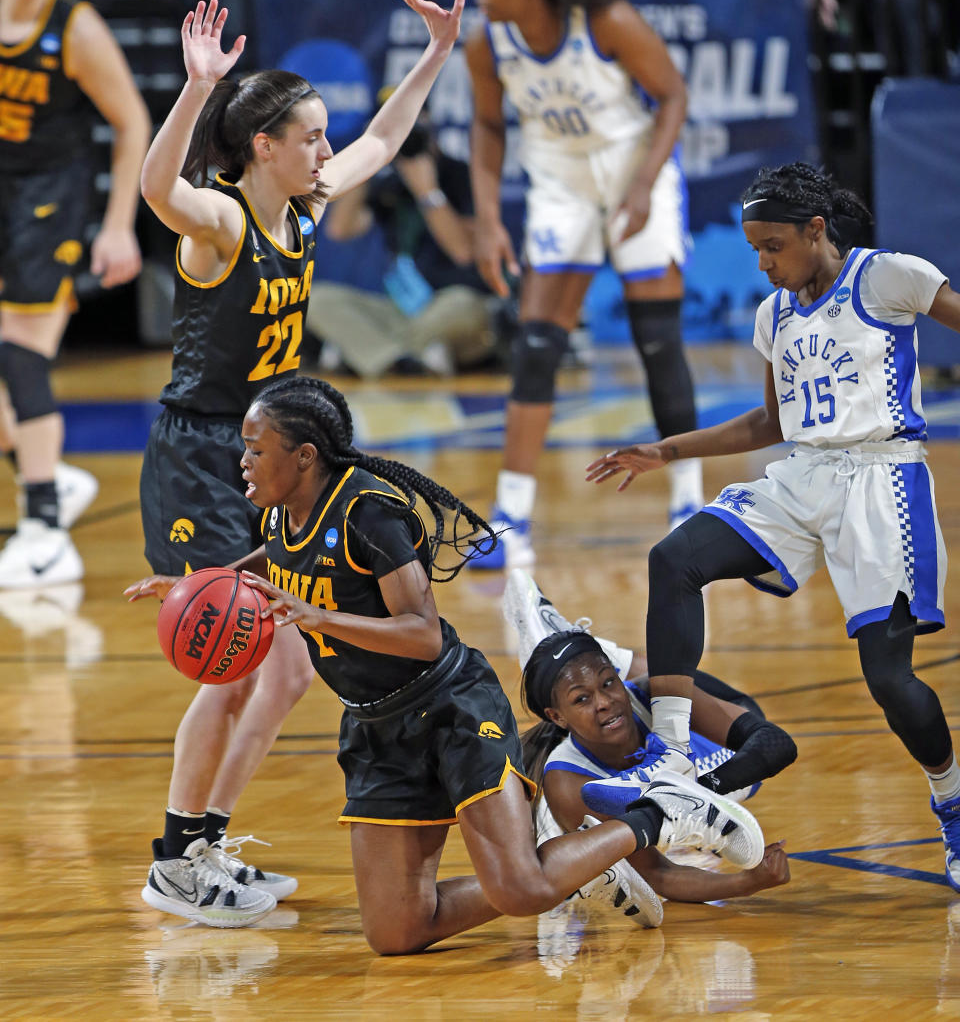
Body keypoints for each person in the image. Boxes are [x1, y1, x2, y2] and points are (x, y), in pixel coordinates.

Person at [150, 373, 765, 949]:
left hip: (449, 709)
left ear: (305, 456)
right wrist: (207, 585)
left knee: (522, 890)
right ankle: (574, 869)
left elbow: (422, 636)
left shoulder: (370, 514)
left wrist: (318, 618)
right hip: (375, 728)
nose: (244, 461)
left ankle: (657, 814)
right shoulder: (283, 509)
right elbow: (282, 554)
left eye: (256, 449)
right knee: (397, 932)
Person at [125, 0, 471, 927]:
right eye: (309, 137)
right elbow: (158, 189)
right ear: (262, 148)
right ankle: (175, 860)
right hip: (203, 454)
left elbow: (386, 144)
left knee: (282, 672)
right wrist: (197, 88)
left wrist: (436, 55)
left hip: (270, 457)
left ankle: (205, 845)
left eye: (324, 135)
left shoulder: (305, 209)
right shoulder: (226, 224)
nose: (326, 149)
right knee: (233, 668)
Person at [584, 161, 960, 892]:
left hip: (882, 479)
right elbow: (770, 422)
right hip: (804, 475)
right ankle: (671, 757)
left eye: (772, 245)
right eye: (755, 248)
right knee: (675, 557)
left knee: (891, 682)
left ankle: (952, 801)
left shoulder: (888, 277)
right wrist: (668, 449)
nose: (762, 261)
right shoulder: (776, 314)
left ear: (816, 230)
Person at [464, 0, 703, 569]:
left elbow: (673, 96)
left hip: (631, 165)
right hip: (560, 181)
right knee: (536, 344)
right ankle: (511, 515)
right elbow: (488, 128)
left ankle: (689, 499)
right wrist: (488, 220)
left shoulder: (607, 22)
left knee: (658, 340)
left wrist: (647, 184)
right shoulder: (486, 45)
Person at [0, 0, 150, 587]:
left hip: (50, 200)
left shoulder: (75, 28)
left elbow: (132, 121)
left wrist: (116, 225)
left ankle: (44, 531)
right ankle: (51, 476)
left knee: (21, 350)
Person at [517, 623, 791, 907]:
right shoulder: (570, 781)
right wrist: (746, 883)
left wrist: (697, 792)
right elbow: (657, 873)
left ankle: (599, 648)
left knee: (674, 680)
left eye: (609, 682)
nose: (604, 702)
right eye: (581, 699)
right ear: (557, 716)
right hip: (679, 791)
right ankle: (569, 827)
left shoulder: (657, 696)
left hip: (731, 765)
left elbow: (773, 744)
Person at [308, 99, 504, 378]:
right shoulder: (390, 181)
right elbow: (341, 230)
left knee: (461, 305)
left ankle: (373, 352)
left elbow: (463, 251)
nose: (405, 138)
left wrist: (428, 191)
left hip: (452, 304)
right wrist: (366, 161)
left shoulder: (462, 175)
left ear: (431, 128)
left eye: (412, 127)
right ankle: (407, 357)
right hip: (400, 313)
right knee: (318, 300)